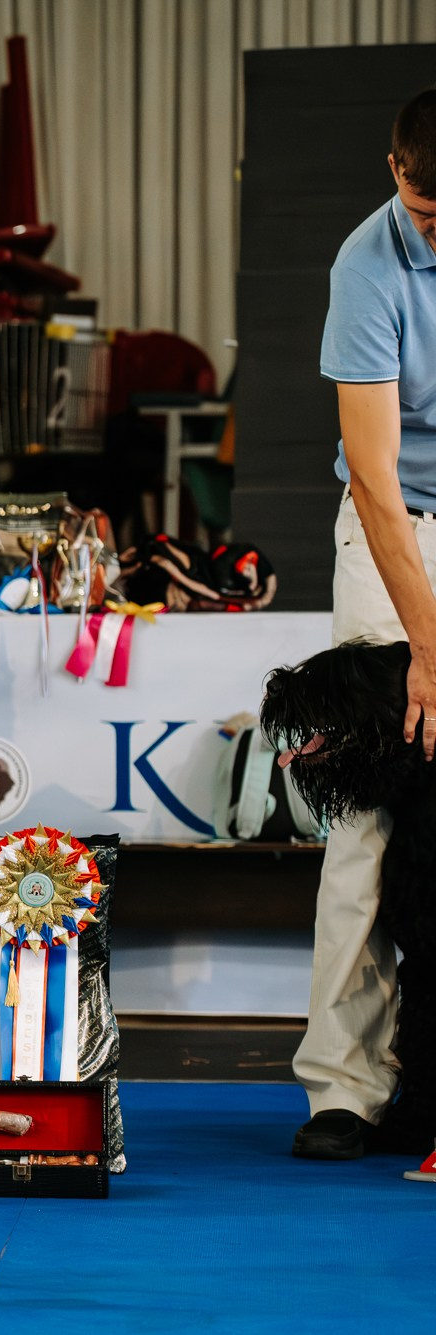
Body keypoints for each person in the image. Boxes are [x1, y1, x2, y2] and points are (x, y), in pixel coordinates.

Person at [292, 89, 436, 1161]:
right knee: (364, 814)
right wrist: (429, 648)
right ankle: (343, 1083)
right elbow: (378, 485)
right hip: (396, 534)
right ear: (395, 171)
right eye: (430, 213)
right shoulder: (367, 266)